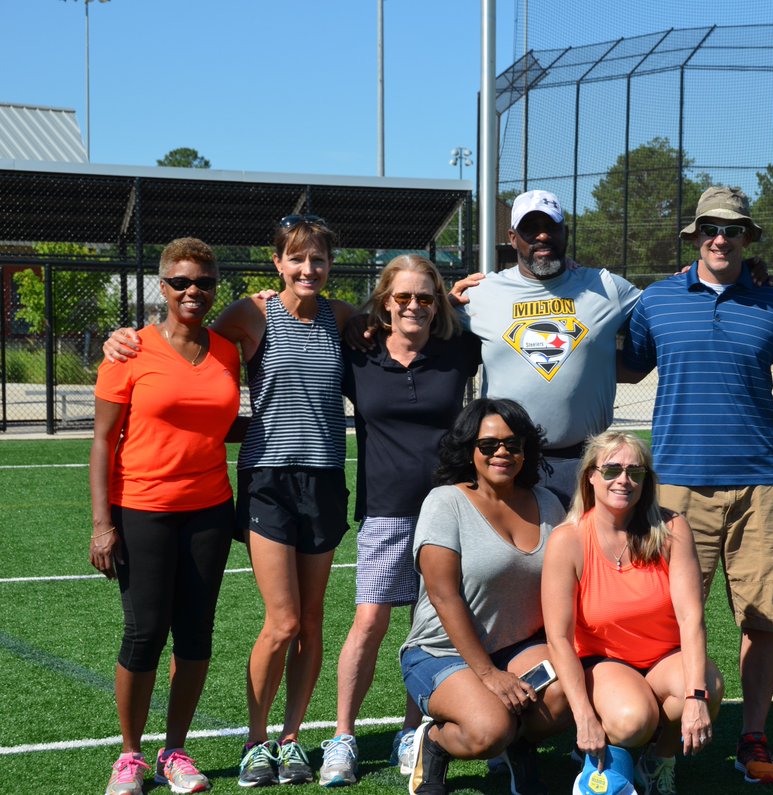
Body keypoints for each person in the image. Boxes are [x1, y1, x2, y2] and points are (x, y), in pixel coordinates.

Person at [102, 215, 359, 786]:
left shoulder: (342, 317)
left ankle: (291, 740)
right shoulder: (250, 313)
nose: (307, 269)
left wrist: (459, 294)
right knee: (283, 620)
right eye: (296, 259)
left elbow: (402, 320)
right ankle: (255, 739)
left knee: (312, 622)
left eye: (317, 259)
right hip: (266, 478)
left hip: (324, 478)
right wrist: (120, 339)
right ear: (277, 263)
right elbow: (193, 344)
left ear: (330, 265)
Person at [622, 185, 773, 784]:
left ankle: (752, 737)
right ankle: (652, 740)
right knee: (663, 621)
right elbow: (620, 360)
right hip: (676, 487)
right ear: (694, 235)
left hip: (762, 485)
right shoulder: (656, 302)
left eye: (732, 230)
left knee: (760, 619)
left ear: (746, 238)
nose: (720, 238)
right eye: (710, 227)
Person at [317, 255, 481, 787]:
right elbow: (313, 322)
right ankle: (343, 734)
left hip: (448, 511)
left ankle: (413, 728)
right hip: (384, 511)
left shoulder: (459, 349)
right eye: (403, 297)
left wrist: (470, 296)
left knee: (428, 628)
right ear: (384, 303)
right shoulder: (358, 352)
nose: (414, 306)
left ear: (438, 304)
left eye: (426, 297)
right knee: (370, 622)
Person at [90, 238, 241, 795]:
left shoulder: (228, 350)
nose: (192, 291)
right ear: (163, 287)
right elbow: (103, 441)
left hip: (210, 512)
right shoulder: (128, 352)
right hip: (141, 510)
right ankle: (129, 757)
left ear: (214, 286)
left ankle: (175, 751)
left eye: (203, 281)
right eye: (181, 282)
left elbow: (219, 423)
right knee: (144, 632)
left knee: (196, 634)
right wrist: (102, 524)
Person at [400, 398, 572, 795]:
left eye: (513, 444)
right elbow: (444, 598)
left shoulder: (547, 502)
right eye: (489, 445)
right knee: (488, 729)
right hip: (441, 651)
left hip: (518, 645)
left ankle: (520, 748)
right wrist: (489, 675)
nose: (502, 453)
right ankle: (436, 745)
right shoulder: (445, 502)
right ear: (468, 450)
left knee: (572, 689)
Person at [542, 431, 723, 795]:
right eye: (611, 470)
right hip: (602, 659)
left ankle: (659, 760)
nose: (623, 480)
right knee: (632, 720)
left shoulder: (671, 529)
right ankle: (599, 758)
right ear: (590, 476)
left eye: (634, 472)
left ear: (646, 481)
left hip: (662, 657)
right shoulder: (569, 539)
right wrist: (584, 719)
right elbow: (558, 638)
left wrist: (696, 698)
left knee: (709, 685)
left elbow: (691, 618)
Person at [453, 190, 642, 506]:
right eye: (530, 229)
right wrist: (441, 301)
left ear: (565, 233)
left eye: (551, 227)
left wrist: (693, 279)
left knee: (586, 555)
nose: (542, 236)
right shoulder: (481, 294)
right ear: (513, 238)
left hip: (585, 461)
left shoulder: (606, 287)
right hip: (507, 463)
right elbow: (419, 323)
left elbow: (664, 310)